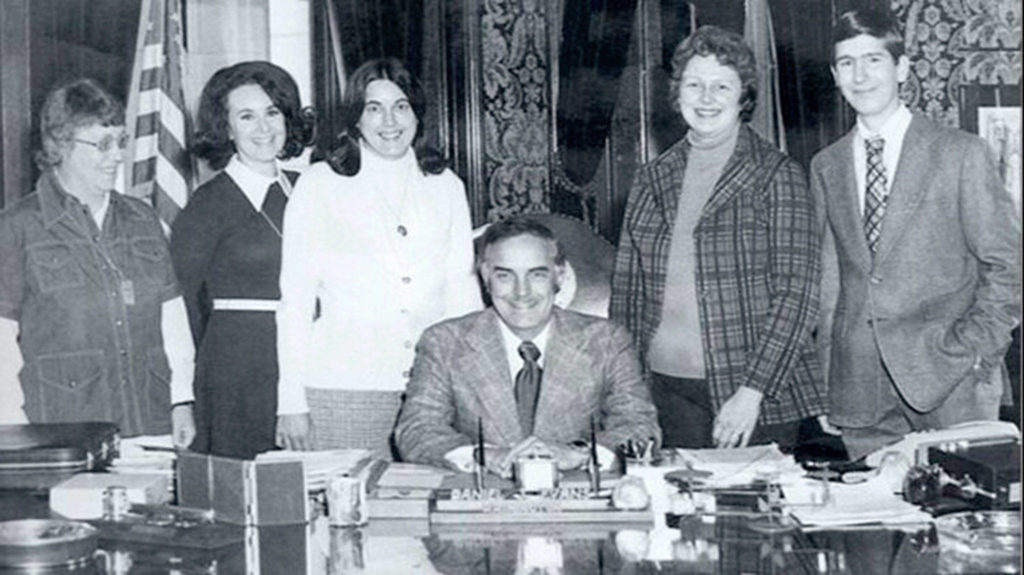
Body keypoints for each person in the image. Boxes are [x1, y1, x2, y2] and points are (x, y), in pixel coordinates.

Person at [811, 9, 1020, 461]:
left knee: (962, 520)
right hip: (859, 386)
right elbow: (830, 283)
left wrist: (977, 349)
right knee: (874, 524)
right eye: (847, 63)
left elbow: (1008, 264)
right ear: (834, 75)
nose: (860, 76)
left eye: (873, 61)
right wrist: (828, 377)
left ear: (902, 68)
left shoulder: (960, 153)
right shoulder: (826, 165)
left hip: (953, 378)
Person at [609, 26, 827, 451]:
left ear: (742, 95)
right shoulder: (652, 177)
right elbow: (628, 294)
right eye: (695, 84)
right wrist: (626, 391)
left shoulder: (776, 174)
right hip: (664, 390)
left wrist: (752, 393)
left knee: (749, 513)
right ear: (677, 93)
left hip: (751, 391)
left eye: (721, 86)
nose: (706, 98)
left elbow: (797, 296)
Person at [275, 58, 482, 455]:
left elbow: (462, 294)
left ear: (417, 115)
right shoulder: (320, 184)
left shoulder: (445, 184)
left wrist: (468, 387)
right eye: (374, 108)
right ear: (355, 119)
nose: (389, 120)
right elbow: (296, 303)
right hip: (344, 391)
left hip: (431, 393)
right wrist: (291, 403)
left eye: (401, 106)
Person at [0, 78, 195, 447]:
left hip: (149, 425)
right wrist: (11, 429)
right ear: (60, 146)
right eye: (102, 145)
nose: (117, 156)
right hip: (60, 431)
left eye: (120, 141)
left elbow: (172, 317)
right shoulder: (16, 226)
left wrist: (182, 399)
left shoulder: (143, 218)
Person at [395, 218, 660, 476]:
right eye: (505, 275)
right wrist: (483, 455)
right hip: (484, 502)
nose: (522, 292)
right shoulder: (444, 342)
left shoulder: (607, 341)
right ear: (486, 277)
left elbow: (639, 426)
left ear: (559, 275)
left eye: (536, 274)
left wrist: (580, 454)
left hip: (576, 500)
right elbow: (417, 430)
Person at [170, 61, 314, 459]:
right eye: (246, 116)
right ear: (226, 127)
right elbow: (181, 306)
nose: (263, 128)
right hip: (239, 367)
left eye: (273, 112)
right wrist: (182, 395)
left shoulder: (310, 190)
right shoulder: (207, 204)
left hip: (307, 364)